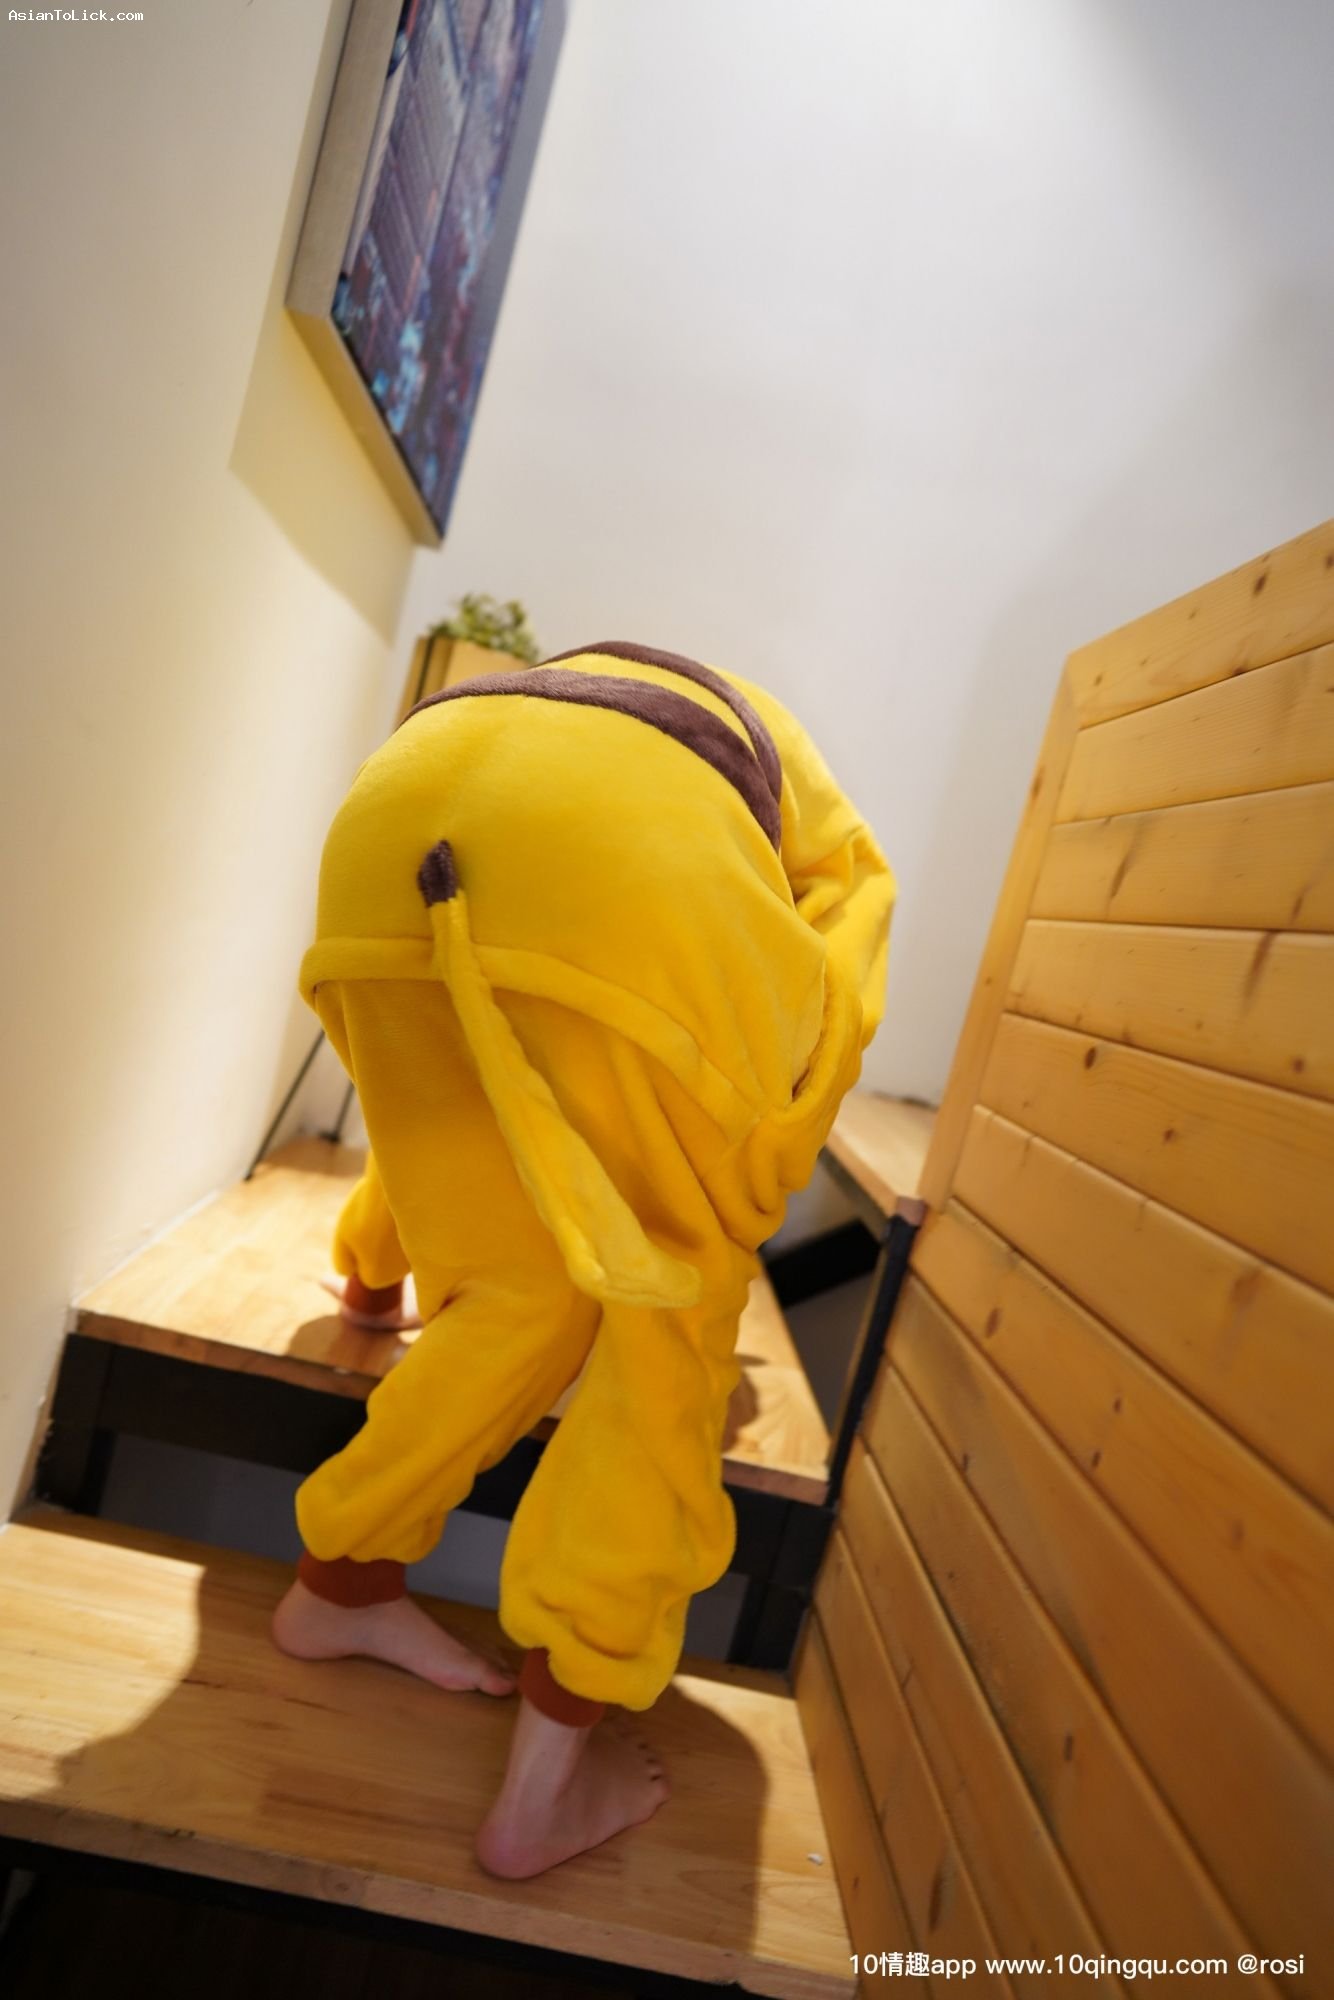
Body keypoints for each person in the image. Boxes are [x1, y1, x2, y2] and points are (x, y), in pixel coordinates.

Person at [270, 641, 894, 1877]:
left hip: (381, 840)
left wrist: (375, 1275)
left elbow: (453, 1117)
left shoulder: (572, 710)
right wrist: (736, 1195)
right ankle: (553, 1771)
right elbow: (838, 975)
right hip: (626, 896)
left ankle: (335, 1586)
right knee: (661, 1320)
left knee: (515, 1281)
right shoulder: (804, 815)